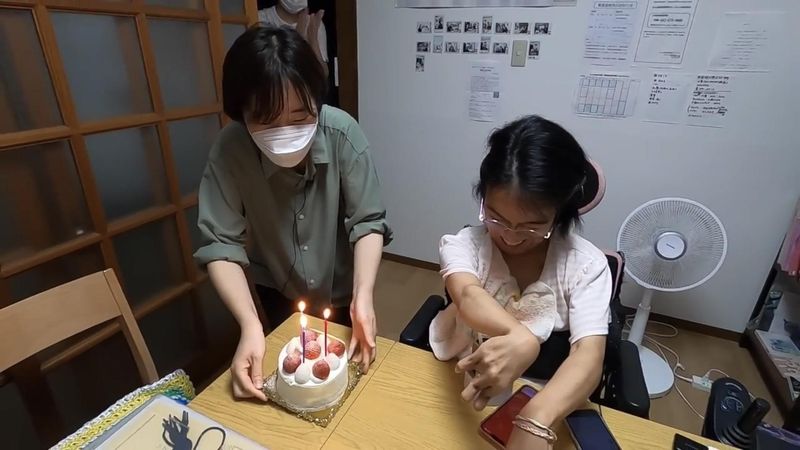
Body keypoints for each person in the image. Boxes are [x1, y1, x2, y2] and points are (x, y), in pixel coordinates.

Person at [194, 25, 391, 402]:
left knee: (345, 384)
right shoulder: (231, 150)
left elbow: (368, 221)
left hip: (341, 288)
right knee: (286, 380)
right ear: (241, 114)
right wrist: (249, 323)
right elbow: (220, 243)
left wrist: (363, 295)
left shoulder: (342, 134)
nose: (286, 131)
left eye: (301, 116)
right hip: (277, 285)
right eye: (267, 120)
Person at [431, 116, 611, 449]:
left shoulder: (586, 265)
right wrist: (522, 338)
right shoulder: (465, 245)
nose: (511, 238)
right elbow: (467, 294)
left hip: (550, 395)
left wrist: (536, 418)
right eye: (496, 218)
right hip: (461, 388)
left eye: (532, 226)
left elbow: (589, 353)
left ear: (561, 211)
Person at [258, 0, 328, 75]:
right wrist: (299, 40)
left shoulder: (313, 23)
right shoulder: (260, 18)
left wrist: (313, 40)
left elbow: (323, 74)